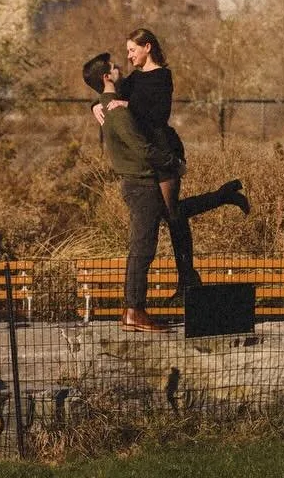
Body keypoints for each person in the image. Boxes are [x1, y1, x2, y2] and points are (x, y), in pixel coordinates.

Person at [96, 28, 247, 293]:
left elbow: (158, 114)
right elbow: (111, 94)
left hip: (164, 150)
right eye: (128, 51)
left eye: (133, 50)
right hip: (149, 153)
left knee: (172, 214)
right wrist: (96, 105)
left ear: (148, 48)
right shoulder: (133, 79)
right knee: (172, 213)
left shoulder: (162, 76)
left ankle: (187, 277)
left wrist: (128, 106)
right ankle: (222, 199)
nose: (129, 56)